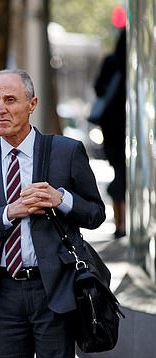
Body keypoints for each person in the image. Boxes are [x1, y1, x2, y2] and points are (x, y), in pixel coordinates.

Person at [0, 69, 106, 357]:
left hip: (56, 290)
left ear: (32, 104)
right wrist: (8, 213)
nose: (0, 109)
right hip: (3, 295)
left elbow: (96, 214)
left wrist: (60, 199)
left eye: (10, 100)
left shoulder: (66, 152)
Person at [93, 28, 126, 239]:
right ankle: (124, 222)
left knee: (119, 176)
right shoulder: (136, 66)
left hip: (112, 130)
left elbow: (98, 88)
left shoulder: (111, 62)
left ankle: (120, 223)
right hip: (124, 131)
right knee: (125, 178)